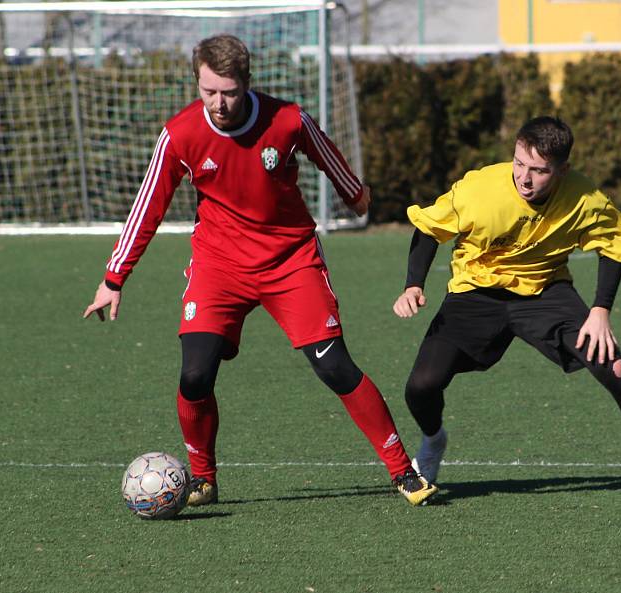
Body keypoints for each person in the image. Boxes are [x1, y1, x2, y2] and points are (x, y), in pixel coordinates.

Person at [84, 34, 436, 506]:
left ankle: (401, 470)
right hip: (219, 264)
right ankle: (203, 479)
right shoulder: (180, 134)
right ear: (198, 82)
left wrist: (354, 194)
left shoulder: (286, 119)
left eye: (228, 92)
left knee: (334, 366)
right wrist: (113, 279)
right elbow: (148, 206)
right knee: (194, 375)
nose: (219, 102)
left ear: (246, 84)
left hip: (291, 260)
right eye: (208, 91)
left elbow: (326, 154)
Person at [393, 116, 621, 500]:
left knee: (614, 366)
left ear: (561, 170)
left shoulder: (584, 198)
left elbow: (612, 245)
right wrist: (413, 284)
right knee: (420, 387)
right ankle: (434, 439)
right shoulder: (478, 189)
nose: (524, 177)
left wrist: (600, 310)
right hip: (477, 291)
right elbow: (428, 228)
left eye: (539, 170)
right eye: (519, 163)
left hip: (545, 291)